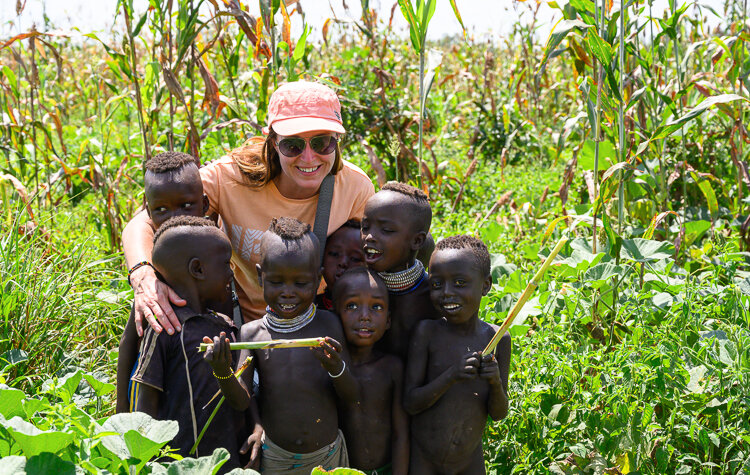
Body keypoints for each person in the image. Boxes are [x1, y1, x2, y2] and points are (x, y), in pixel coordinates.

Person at [122, 80, 376, 338]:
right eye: (293, 145)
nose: (309, 157)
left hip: (320, 325)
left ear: (337, 141)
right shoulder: (230, 178)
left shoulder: (355, 188)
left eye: (322, 143)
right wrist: (143, 274)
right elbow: (143, 222)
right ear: (274, 142)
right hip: (243, 327)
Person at [203, 217, 356, 474]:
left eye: (301, 283)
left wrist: (335, 367)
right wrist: (222, 372)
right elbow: (241, 401)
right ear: (261, 276)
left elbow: (352, 396)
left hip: (327, 456)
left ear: (317, 279)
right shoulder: (252, 334)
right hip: (276, 459)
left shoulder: (328, 325)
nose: (288, 292)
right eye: (277, 282)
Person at [130, 216, 247, 472]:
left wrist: (223, 372)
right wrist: (143, 463)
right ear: (198, 269)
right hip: (177, 466)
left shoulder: (225, 326)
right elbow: (144, 402)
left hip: (226, 464)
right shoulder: (165, 328)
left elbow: (242, 403)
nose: (231, 272)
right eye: (226, 263)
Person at [404, 235, 511, 474]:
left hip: (469, 462)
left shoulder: (497, 340)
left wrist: (494, 382)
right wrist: (452, 375)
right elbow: (411, 402)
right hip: (425, 461)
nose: (447, 293)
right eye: (436, 284)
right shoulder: (427, 333)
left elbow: (499, 413)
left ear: (486, 285)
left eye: (460, 283)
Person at [116, 151, 210, 413]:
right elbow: (130, 341)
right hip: (162, 386)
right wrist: (120, 411)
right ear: (148, 211)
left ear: (205, 204)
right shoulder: (157, 268)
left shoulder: (214, 253)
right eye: (161, 210)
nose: (174, 218)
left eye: (186, 206)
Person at [333, 267, 408, 475]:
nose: (365, 316)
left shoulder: (392, 368)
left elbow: (400, 433)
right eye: (352, 306)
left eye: (376, 307)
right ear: (334, 314)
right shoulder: (331, 368)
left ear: (389, 320)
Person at [361, 181, 434, 359]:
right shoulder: (358, 287)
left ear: (416, 241)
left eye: (386, 230)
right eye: (365, 227)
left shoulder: (432, 296)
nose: (369, 236)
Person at [317, 219, 366, 311]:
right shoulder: (308, 308)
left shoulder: (374, 311)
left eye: (355, 258)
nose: (343, 262)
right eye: (335, 254)